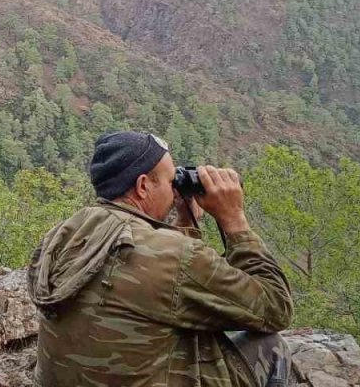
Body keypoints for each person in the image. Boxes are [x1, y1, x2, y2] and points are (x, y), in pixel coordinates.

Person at [28, 131, 294, 387]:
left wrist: (185, 221)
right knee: (271, 346)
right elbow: (276, 307)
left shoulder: (67, 232)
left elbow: (161, 287)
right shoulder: (173, 255)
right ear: (143, 186)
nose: (175, 190)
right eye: (170, 181)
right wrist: (234, 220)